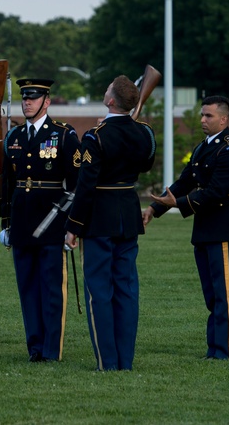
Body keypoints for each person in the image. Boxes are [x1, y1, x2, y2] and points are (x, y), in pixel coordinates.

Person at [144, 95, 229, 361]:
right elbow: (184, 182)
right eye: (202, 115)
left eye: (208, 116)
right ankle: (214, 349)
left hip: (224, 227)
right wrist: (156, 208)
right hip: (205, 227)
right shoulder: (203, 148)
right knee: (212, 294)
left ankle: (226, 351)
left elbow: (216, 192)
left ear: (223, 119)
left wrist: (177, 203)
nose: (202, 120)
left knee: (224, 294)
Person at [64, 75, 156, 371]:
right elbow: (145, 164)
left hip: (99, 216)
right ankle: (124, 361)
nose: (104, 92)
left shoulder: (95, 135)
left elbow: (85, 182)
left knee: (100, 291)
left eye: (106, 90)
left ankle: (108, 361)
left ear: (111, 101)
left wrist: (73, 226)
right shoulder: (145, 133)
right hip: (127, 213)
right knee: (126, 289)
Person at [2, 78, 80, 362]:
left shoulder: (63, 134)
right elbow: (7, 184)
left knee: (50, 290)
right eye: (24, 98)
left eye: (33, 98)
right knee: (28, 289)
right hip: (22, 223)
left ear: (46, 101)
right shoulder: (13, 137)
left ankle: (51, 349)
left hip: (51, 222)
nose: (27, 102)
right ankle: (34, 348)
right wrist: (5, 223)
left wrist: (72, 225)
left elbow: (76, 184)